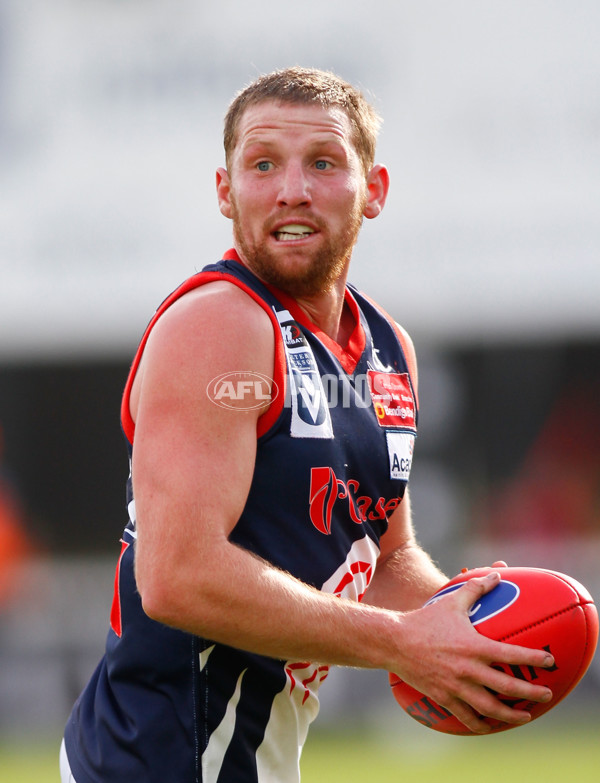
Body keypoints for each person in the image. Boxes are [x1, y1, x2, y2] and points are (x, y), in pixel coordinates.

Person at [61, 67, 554, 783]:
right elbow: (175, 577)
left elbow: (385, 556)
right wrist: (403, 643)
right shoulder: (218, 325)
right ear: (226, 192)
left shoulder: (390, 349)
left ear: (374, 190)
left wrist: (466, 623)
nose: (292, 188)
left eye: (323, 163)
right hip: (156, 764)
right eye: (263, 165)